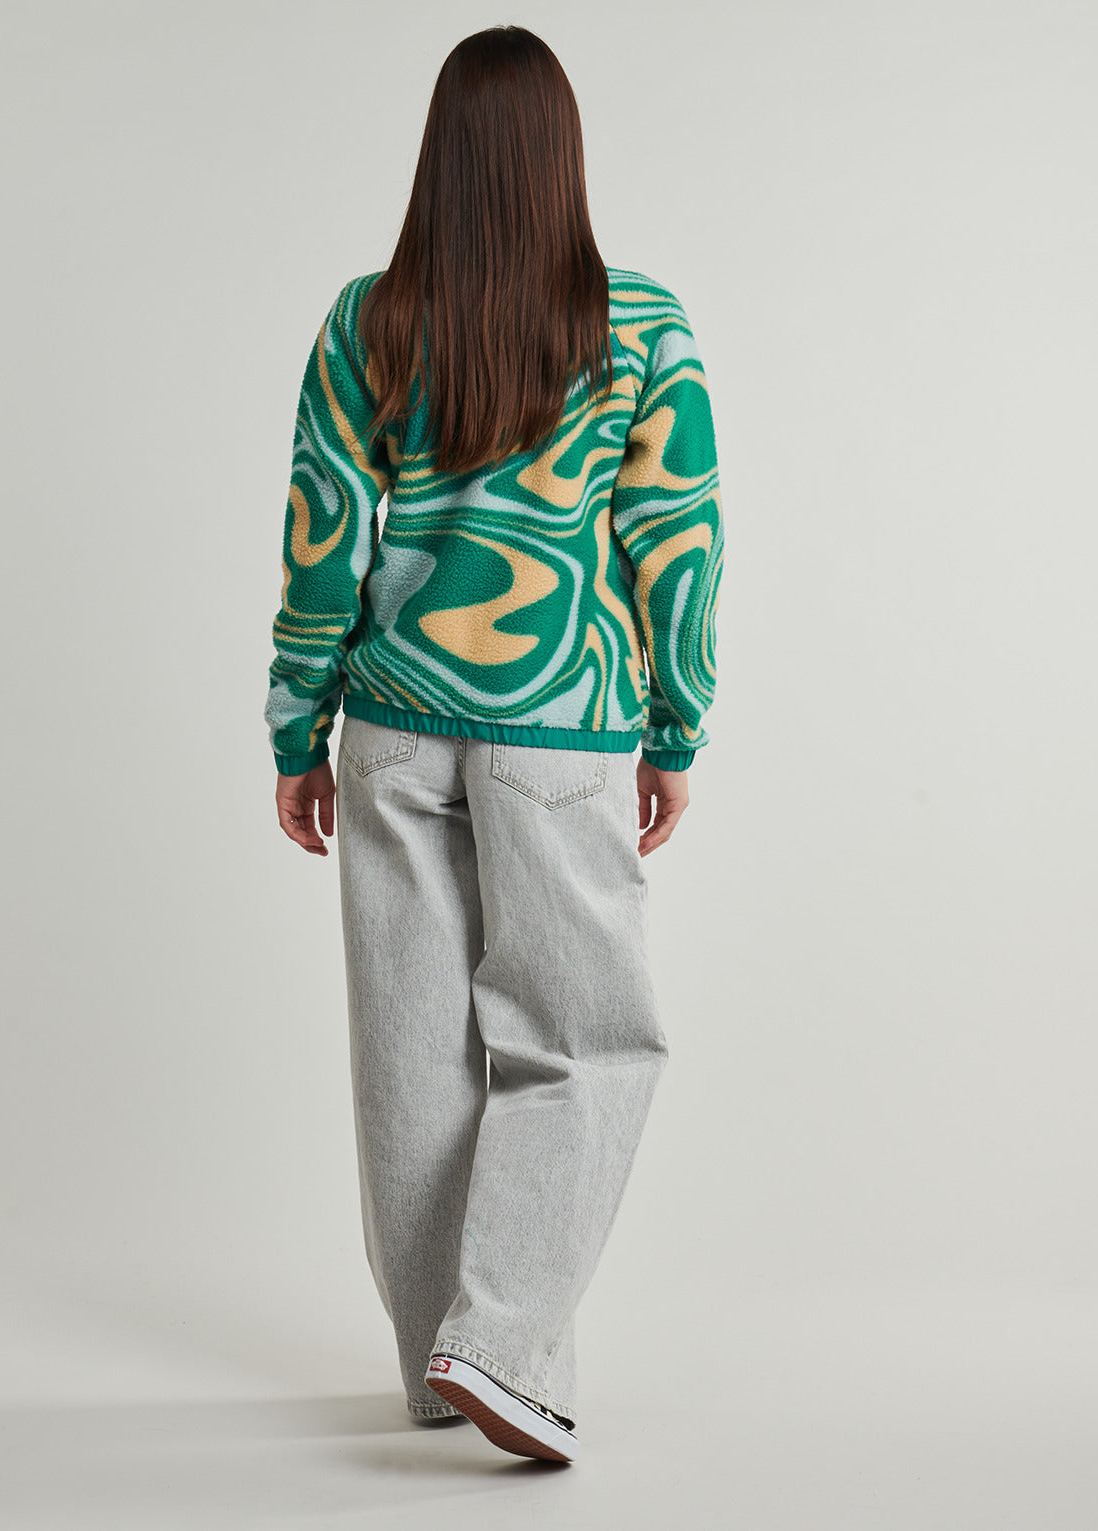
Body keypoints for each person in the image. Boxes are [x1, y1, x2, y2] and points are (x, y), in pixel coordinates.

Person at [264, 25, 723, 1465]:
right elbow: (678, 539)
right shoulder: (640, 326)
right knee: (585, 1042)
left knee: (410, 1057)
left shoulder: (368, 321)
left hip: (390, 733)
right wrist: (676, 725)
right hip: (561, 731)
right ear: (559, 157)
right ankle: (502, 1351)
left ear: (442, 158)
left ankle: (446, 1365)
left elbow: (322, 538)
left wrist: (297, 723)